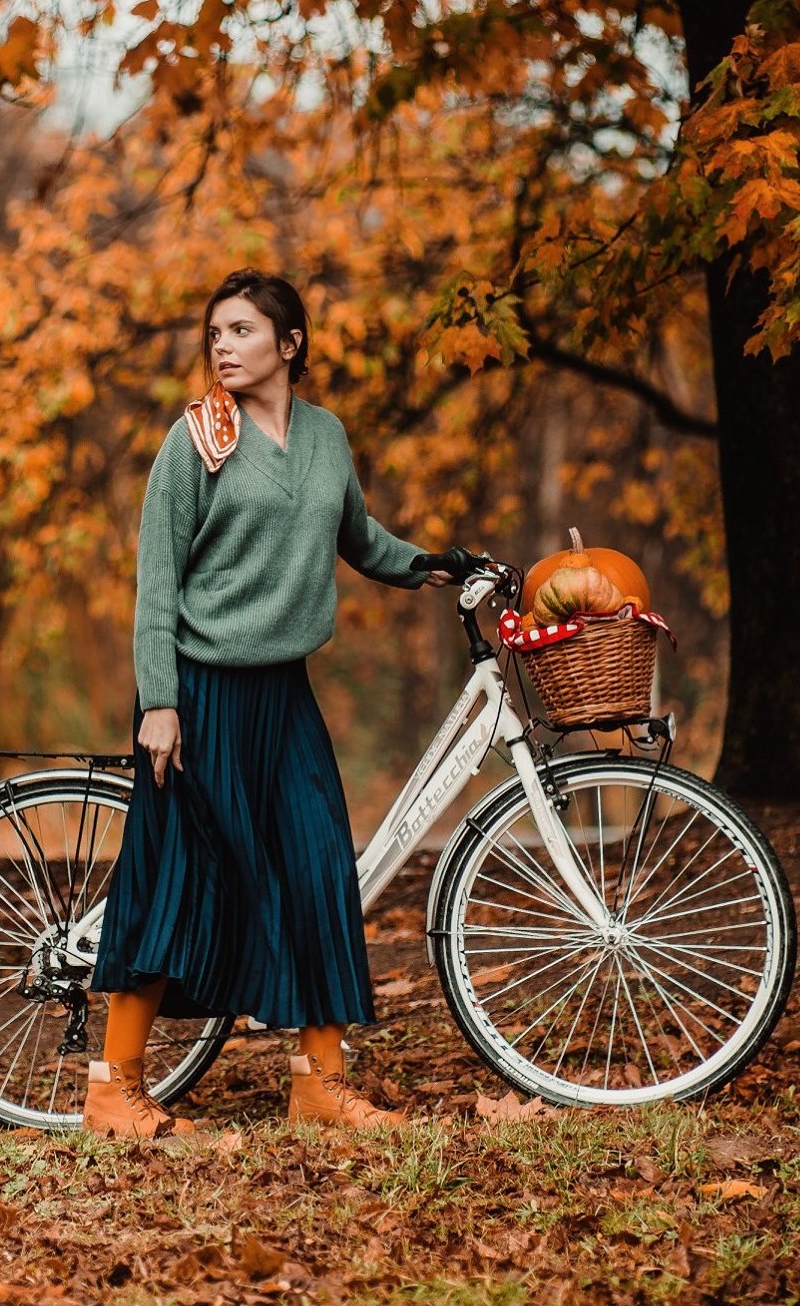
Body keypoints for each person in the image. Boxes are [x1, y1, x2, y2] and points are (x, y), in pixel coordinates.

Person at [84, 270, 465, 1138]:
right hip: (199, 693)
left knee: (317, 865)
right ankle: (112, 1088)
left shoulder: (326, 437)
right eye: (215, 330)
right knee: (179, 879)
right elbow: (156, 584)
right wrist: (159, 701)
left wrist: (439, 565)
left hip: (284, 698)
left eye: (243, 329)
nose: (222, 345)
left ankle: (318, 1085)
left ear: (288, 345)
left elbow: (361, 540)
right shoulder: (193, 442)